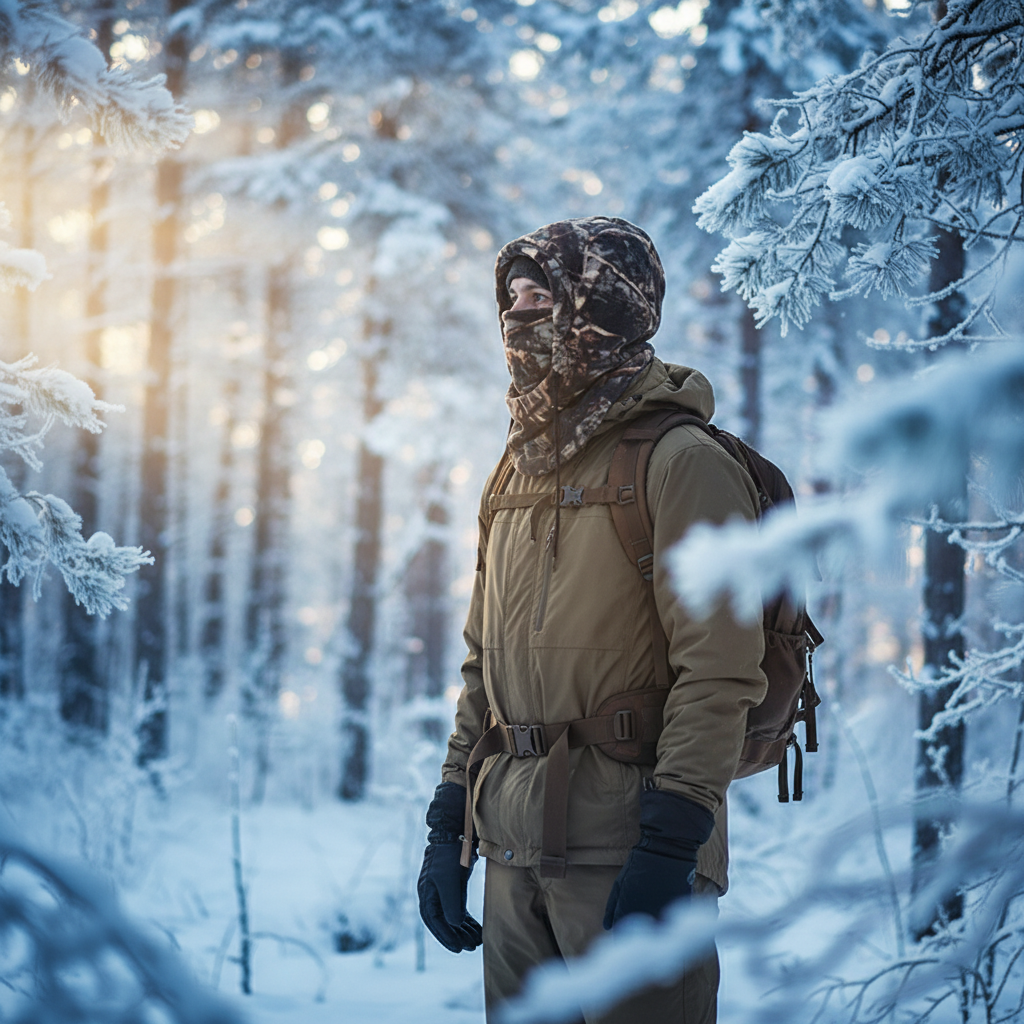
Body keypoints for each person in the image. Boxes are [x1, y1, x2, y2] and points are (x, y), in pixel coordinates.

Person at [417, 216, 767, 1023]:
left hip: (628, 848)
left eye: (542, 297)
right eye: (512, 298)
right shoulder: (514, 468)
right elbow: (482, 667)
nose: (518, 316)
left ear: (602, 307)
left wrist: (671, 842)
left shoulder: (683, 461)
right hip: (510, 852)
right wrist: (448, 826)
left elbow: (720, 669)